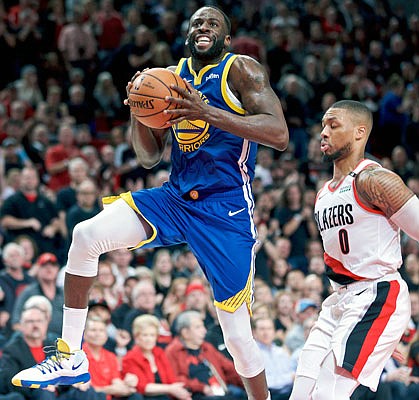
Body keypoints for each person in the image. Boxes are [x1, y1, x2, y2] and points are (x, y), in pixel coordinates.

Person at [12, 6, 289, 400]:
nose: (202, 27)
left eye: (212, 23)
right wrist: (139, 112)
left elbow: (279, 134)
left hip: (224, 209)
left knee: (237, 334)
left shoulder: (240, 70)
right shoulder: (169, 79)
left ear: (226, 39)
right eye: (196, 22)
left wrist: (205, 111)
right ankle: (71, 355)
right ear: (187, 35)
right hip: (175, 197)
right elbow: (148, 158)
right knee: (85, 235)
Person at [289, 100, 416, 400]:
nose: (323, 132)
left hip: (377, 295)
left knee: (327, 395)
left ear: (360, 132)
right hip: (340, 303)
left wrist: (388, 324)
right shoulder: (323, 193)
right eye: (322, 125)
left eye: (333, 125)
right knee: (302, 390)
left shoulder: (374, 180)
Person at [121, 314, 191, 400]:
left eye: (152, 335)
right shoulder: (130, 358)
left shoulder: (159, 353)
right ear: (136, 337)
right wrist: (170, 389)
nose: (149, 339)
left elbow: (171, 380)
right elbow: (142, 387)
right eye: (145, 335)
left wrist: (179, 392)